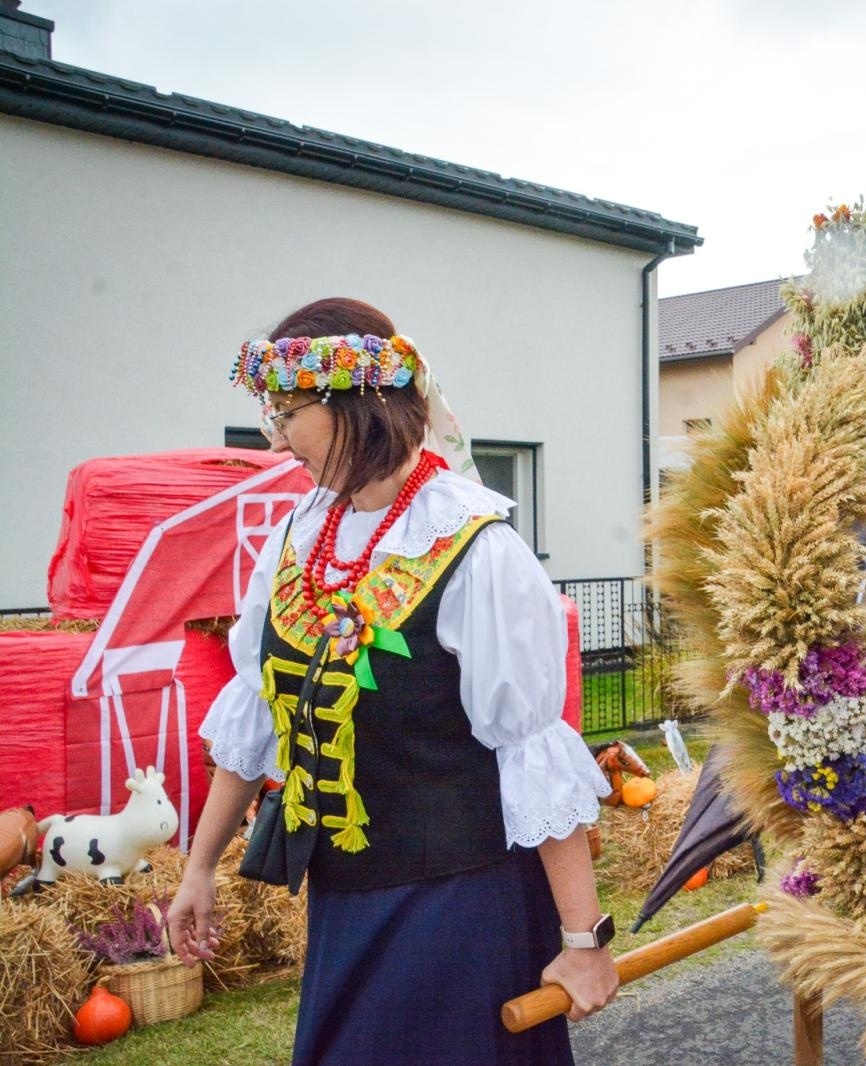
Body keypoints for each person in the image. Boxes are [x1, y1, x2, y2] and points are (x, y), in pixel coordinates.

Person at [167, 298, 618, 1064]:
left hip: (461, 908)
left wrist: (585, 943)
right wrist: (199, 869)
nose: (274, 440)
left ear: (356, 402)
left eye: (287, 414)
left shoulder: (476, 549)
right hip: (344, 908)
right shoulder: (298, 536)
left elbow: (532, 748)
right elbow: (259, 709)